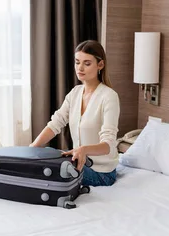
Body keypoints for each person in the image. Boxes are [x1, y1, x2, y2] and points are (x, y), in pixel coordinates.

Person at [30, 40, 120, 186]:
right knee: (43, 155)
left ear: (100, 65)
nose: (80, 68)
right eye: (77, 62)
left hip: (101, 172)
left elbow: (108, 144)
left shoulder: (109, 97)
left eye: (87, 63)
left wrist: (83, 150)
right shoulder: (75, 93)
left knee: (49, 170)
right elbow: (55, 123)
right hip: (78, 163)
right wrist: (32, 148)